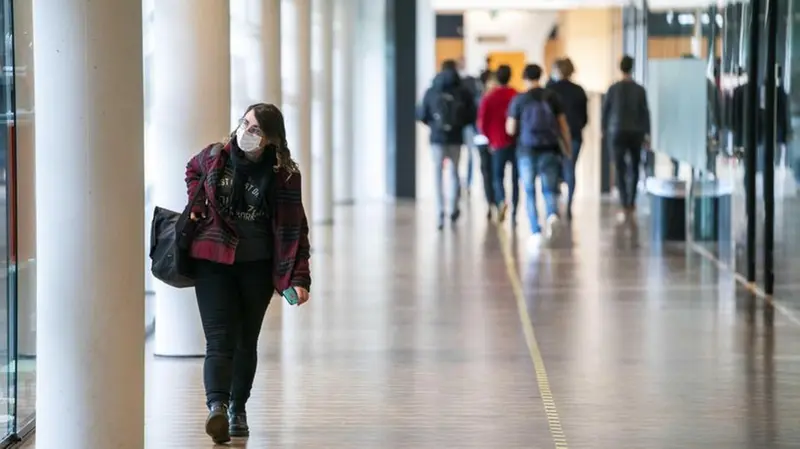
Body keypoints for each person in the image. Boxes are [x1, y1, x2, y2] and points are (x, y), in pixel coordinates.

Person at [185, 103, 312, 444]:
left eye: (255, 129)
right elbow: (192, 170)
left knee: (245, 341)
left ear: (271, 138)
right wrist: (197, 206)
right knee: (219, 339)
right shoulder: (216, 156)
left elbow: (294, 228)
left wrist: (299, 278)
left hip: (256, 268)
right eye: (244, 123)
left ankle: (236, 409)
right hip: (212, 260)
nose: (246, 132)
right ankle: (216, 406)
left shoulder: (284, 175)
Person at [506, 64, 572, 249]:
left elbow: (510, 129)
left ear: (525, 78)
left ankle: (535, 232)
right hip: (549, 148)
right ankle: (551, 214)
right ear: (541, 76)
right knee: (549, 188)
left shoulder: (520, 100)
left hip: (526, 150)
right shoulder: (552, 97)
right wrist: (567, 147)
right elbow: (563, 125)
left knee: (529, 191)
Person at [417, 59, 478, 229]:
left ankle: (439, 210)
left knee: (437, 173)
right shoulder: (463, 91)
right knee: (454, 172)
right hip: (456, 138)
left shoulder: (432, 90)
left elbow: (422, 114)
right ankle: (453, 207)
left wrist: (435, 125)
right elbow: (472, 115)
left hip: (437, 138)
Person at [602, 55, 651, 224]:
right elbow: (645, 113)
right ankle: (632, 200)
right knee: (635, 166)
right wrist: (647, 133)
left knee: (620, 167)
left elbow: (605, 111)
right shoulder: (639, 89)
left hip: (616, 131)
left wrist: (604, 129)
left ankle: (624, 201)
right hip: (636, 132)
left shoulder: (613, 89)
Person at [547, 58, 588, 220]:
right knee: (570, 169)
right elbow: (585, 118)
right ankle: (569, 204)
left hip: (554, 136)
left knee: (554, 169)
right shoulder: (579, 90)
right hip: (574, 135)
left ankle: (555, 204)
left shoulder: (550, 89)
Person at [478, 64, 519, 224]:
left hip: (497, 142)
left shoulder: (489, 97)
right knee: (516, 178)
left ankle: (501, 201)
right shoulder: (516, 95)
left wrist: (489, 139)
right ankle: (515, 210)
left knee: (497, 176)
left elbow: (482, 122)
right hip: (515, 142)